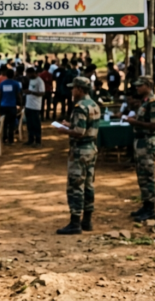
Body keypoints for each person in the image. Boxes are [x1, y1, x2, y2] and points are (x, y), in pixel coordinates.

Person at [55, 77, 100, 234]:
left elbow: (79, 132)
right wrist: (70, 125)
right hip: (91, 149)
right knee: (88, 185)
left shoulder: (80, 107)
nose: (72, 91)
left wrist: (64, 130)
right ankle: (87, 220)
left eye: (73, 88)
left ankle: (75, 222)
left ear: (79, 89)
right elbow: (86, 127)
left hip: (80, 151)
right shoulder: (93, 104)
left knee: (75, 186)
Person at [126, 76, 155, 222]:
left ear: (148, 86)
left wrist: (135, 122)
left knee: (148, 176)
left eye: (140, 85)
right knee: (142, 175)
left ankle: (150, 209)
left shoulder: (153, 102)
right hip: (141, 142)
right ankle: (145, 204)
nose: (137, 88)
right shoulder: (145, 102)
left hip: (147, 142)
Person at [0, 69, 22, 145]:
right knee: (11, 123)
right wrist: (21, 104)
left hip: (3, 106)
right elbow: (18, 95)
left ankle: (4, 138)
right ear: (13, 75)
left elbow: (0, 95)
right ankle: (10, 140)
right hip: (12, 106)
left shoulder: (2, 83)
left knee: (4, 123)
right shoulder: (16, 84)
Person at [23, 67, 45, 147]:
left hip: (35, 106)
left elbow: (42, 93)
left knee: (36, 124)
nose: (27, 75)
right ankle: (31, 140)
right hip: (28, 105)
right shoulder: (30, 80)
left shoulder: (39, 81)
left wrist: (31, 92)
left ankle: (38, 141)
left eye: (28, 74)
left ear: (32, 73)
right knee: (29, 124)